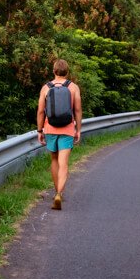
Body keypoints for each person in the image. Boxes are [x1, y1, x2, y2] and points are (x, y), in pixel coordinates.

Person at [37, 59, 82, 210]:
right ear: (67, 71)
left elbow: (41, 111)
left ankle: (57, 191)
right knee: (64, 163)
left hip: (50, 128)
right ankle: (59, 194)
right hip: (67, 129)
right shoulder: (73, 87)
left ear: (54, 71)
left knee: (54, 160)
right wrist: (78, 129)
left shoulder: (46, 87)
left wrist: (39, 131)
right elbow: (77, 110)